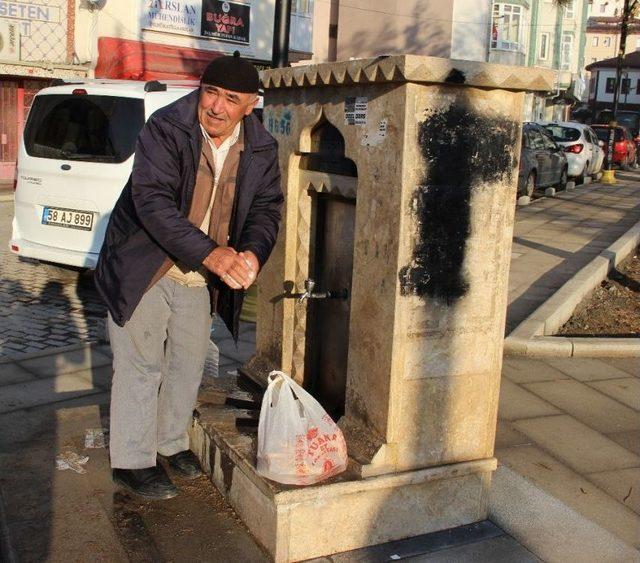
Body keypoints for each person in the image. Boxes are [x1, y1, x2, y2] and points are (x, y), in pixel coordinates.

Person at [94, 52, 283, 500]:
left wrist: (254, 252)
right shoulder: (167, 126)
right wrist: (214, 255)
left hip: (199, 271)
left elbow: (265, 207)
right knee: (141, 364)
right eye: (210, 92)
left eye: (229, 98)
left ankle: (171, 442)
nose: (215, 106)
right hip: (146, 262)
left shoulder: (260, 146)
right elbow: (152, 202)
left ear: (250, 105)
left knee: (188, 360)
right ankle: (133, 460)